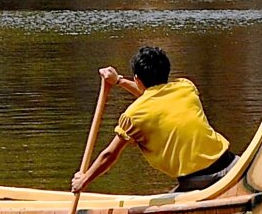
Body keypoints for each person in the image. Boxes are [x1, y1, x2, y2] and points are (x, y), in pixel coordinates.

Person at [70, 45, 233, 197]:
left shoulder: (133, 116)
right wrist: (118, 81)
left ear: (137, 79)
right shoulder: (186, 87)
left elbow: (109, 155)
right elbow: (151, 97)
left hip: (199, 180)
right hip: (231, 162)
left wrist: (83, 181)